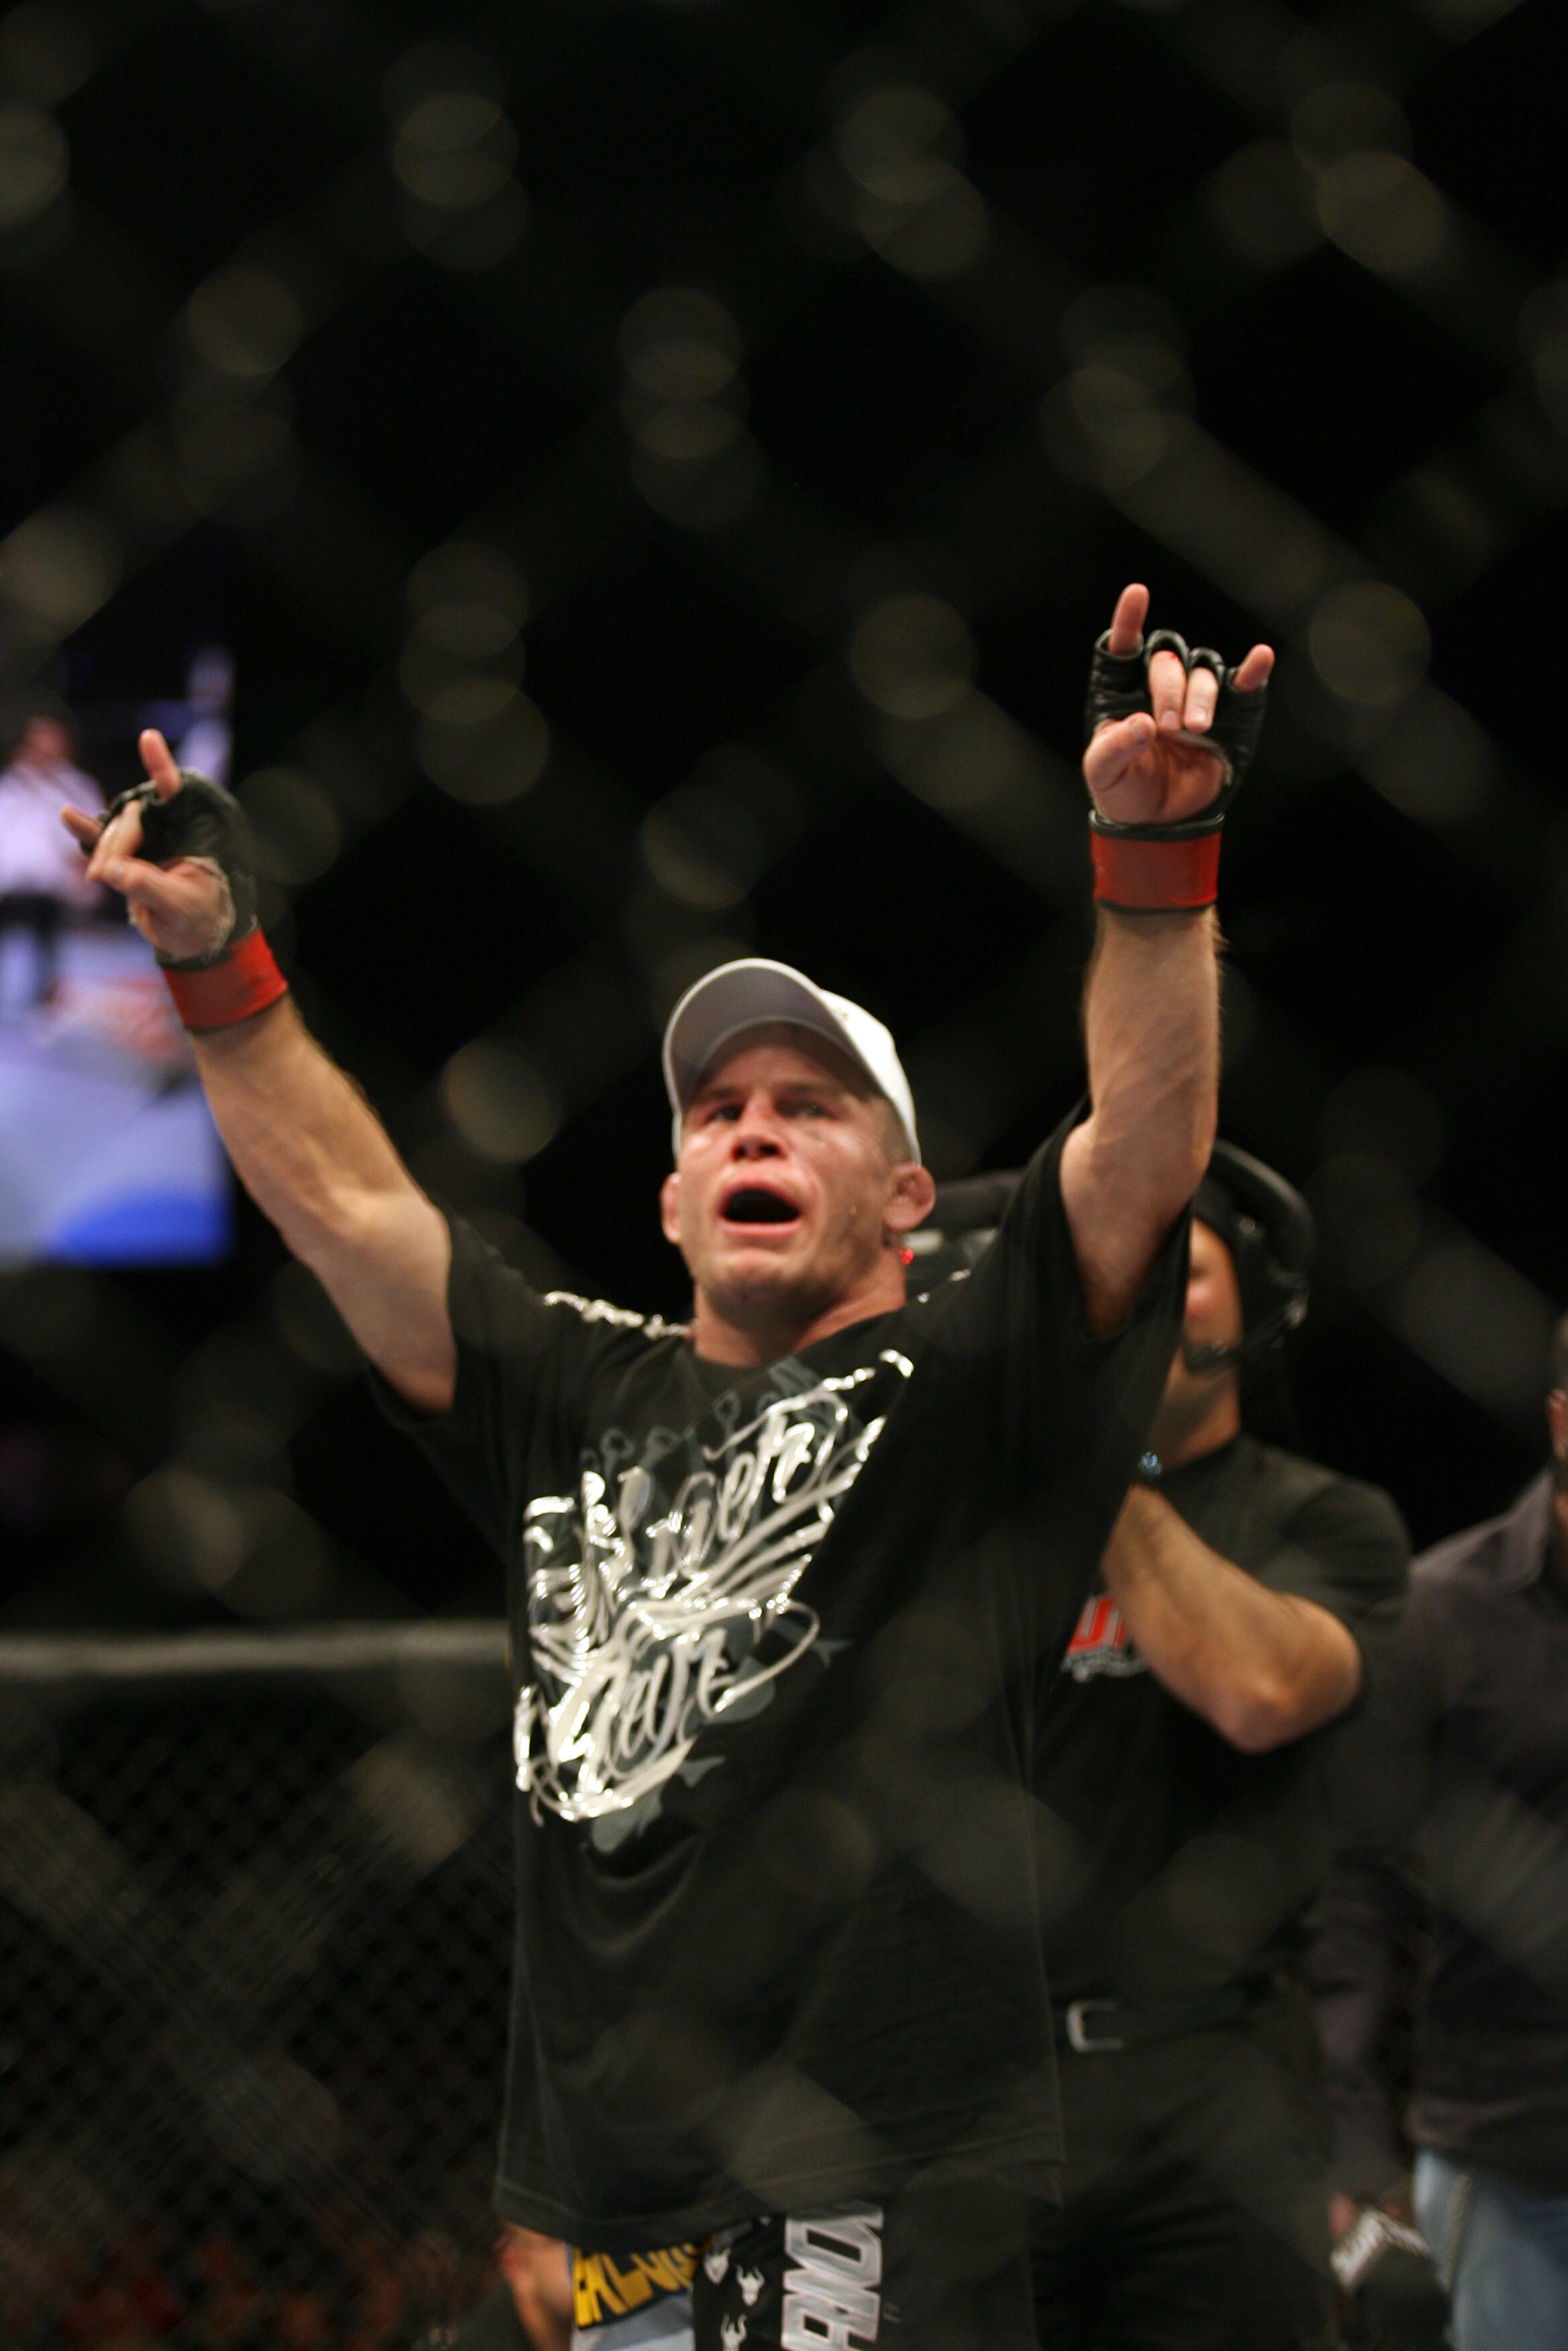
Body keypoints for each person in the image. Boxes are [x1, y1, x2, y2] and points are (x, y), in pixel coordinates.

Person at [64, 584, 1271, 2351]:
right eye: (719, 1116)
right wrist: (218, 973)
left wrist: (1155, 859)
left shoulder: (966, 1371)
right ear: (672, 1201)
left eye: (812, 1106)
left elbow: (1145, 1149)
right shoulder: (573, 1387)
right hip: (612, 2207)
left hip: (876, 2179)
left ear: (909, 1198)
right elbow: (346, 1210)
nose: (756, 1127)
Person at [1022, 1147, 1410, 2350]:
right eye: (1113, 1279)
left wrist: (1093, 1449)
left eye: (1177, 1274)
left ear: (1250, 1301)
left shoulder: (1324, 1516)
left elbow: (1258, 1688)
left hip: (1221, 2077)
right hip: (995, 2079)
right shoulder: (984, 1526)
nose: (1141, 1302)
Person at [1309, 1312, 1568, 2351]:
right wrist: (1352, 2147)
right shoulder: (1443, 1614)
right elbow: (1352, 1893)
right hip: (1517, 2157)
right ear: (1561, 1419)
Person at [0, 702, 103, 1014]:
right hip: (8, 888)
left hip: (52, 893)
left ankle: (42, 1007)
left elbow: (93, 840)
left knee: (48, 957)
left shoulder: (75, 788)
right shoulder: (9, 785)